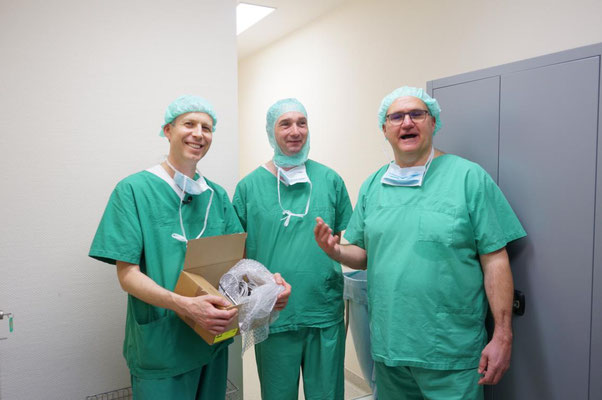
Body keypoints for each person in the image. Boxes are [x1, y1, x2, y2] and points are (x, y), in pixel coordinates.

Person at [314, 87, 526, 400]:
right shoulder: (374, 185)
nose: (407, 122)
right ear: (384, 129)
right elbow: (364, 254)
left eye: (417, 114)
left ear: (433, 122)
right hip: (390, 352)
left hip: (452, 354)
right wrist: (336, 251)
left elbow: (495, 259)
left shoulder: (468, 178)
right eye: (396, 117)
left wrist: (503, 335)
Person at [89, 95, 291, 400]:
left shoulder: (217, 196)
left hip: (212, 340)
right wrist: (184, 305)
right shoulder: (133, 190)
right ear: (168, 130)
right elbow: (127, 275)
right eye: (189, 124)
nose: (199, 133)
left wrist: (268, 289)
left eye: (207, 128)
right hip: (162, 346)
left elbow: (236, 268)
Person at [232, 98, 353, 400]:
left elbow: (336, 242)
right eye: (285, 124)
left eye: (302, 122)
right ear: (271, 132)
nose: (295, 131)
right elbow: (238, 256)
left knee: (327, 394)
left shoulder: (330, 180)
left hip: (322, 311)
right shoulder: (248, 187)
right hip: (274, 314)